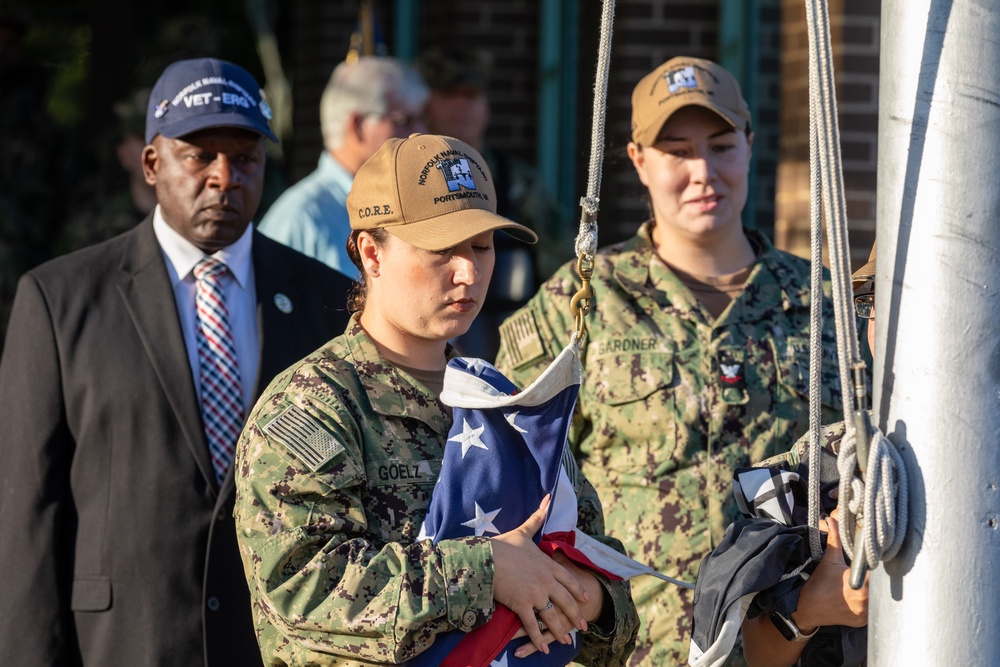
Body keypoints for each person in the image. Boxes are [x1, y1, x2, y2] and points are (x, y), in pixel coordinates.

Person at [234, 133, 639, 665]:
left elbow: (611, 601)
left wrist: (588, 601)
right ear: (371, 253)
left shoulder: (507, 406)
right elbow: (301, 588)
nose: (468, 272)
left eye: (481, 246)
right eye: (441, 249)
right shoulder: (313, 407)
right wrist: (488, 572)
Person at [0, 57, 354, 666]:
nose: (224, 177)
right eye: (199, 155)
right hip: (124, 644)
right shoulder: (60, 302)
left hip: (279, 646)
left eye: (244, 157)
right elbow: (28, 510)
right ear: (151, 163)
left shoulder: (328, 302)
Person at [494, 56, 844, 666]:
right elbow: (513, 487)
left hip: (790, 644)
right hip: (631, 649)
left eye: (721, 145)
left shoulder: (823, 305)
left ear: (751, 146)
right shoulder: (581, 304)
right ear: (638, 161)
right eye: (677, 150)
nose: (702, 171)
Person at [737, 245, 876, 667]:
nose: (887, 320)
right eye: (874, 301)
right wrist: (809, 610)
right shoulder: (825, 460)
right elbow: (758, 653)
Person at [417, 46, 574, 360]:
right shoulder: (406, 183)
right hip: (425, 358)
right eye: (450, 94)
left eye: (471, 95)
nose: (461, 106)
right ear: (426, 103)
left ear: (486, 107)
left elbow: (562, 274)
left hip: (508, 357)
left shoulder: (516, 183)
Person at [257, 56, 428, 279]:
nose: (420, 133)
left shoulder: (406, 202)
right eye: (403, 121)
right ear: (357, 125)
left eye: (422, 119)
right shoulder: (302, 218)